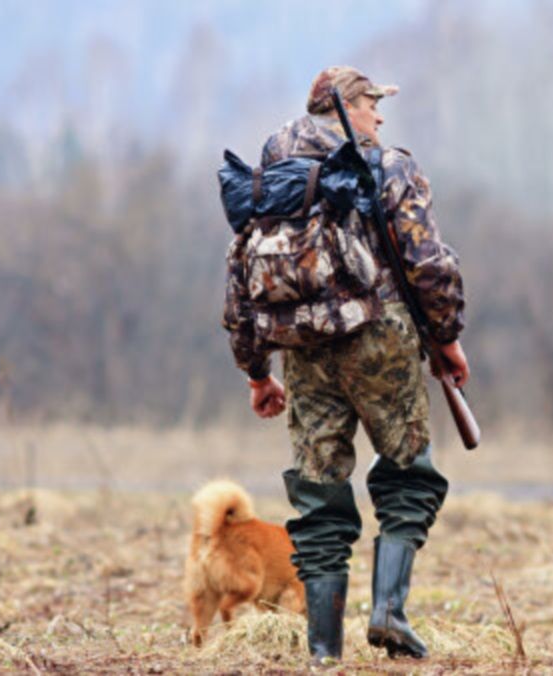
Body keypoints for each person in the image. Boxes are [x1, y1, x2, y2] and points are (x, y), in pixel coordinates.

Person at [222, 65, 469, 662]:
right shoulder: (388, 166)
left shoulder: (269, 178)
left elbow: (237, 279)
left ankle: (324, 653)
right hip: (379, 338)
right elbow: (427, 263)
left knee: (319, 495)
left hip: (302, 350)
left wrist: (256, 370)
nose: (380, 117)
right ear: (345, 109)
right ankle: (387, 612)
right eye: (371, 104)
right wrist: (447, 337)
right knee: (410, 474)